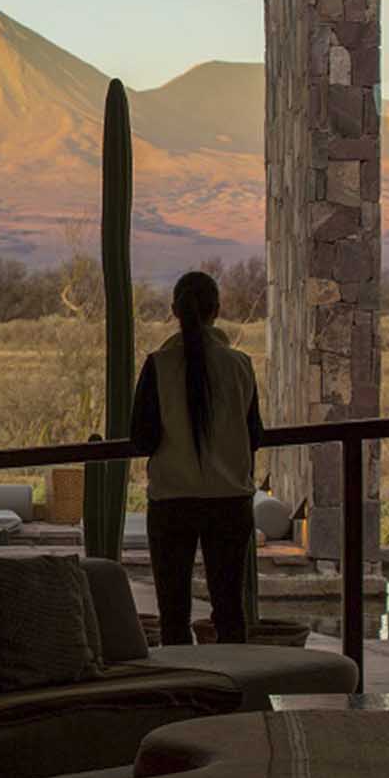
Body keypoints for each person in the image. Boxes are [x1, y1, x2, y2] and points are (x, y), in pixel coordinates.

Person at [130, 270, 264, 646]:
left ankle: (184, 692)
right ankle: (239, 690)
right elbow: (254, 435)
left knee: (173, 615)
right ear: (216, 311)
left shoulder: (159, 365)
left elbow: (142, 438)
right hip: (230, 501)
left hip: (173, 500)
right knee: (230, 611)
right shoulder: (240, 366)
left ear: (174, 310)